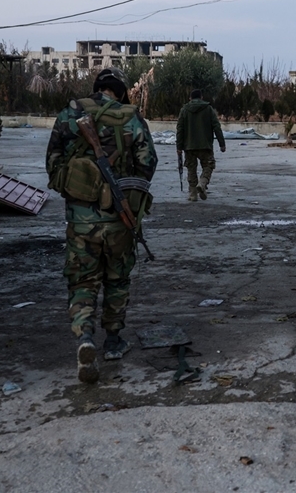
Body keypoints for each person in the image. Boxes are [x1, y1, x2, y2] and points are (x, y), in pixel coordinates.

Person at [45, 68, 158, 383]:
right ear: (121, 91)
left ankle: (85, 338)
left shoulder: (69, 114)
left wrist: (80, 187)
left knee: (82, 281)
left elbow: (52, 167)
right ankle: (113, 342)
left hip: (80, 221)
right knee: (117, 279)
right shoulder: (132, 118)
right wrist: (119, 192)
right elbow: (148, 164)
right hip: (119, 220)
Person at [176, 89, 226, 201]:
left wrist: (179, 147)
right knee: (209, 166)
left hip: (189, 146)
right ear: (201, 97)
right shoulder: (208, 109)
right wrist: (222, 144)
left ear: (190, 98)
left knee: (191, 169)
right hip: (205, 145)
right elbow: (216, 127)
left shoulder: (184, 110)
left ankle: (193, 193)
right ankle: (202, 183)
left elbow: (180, 129)